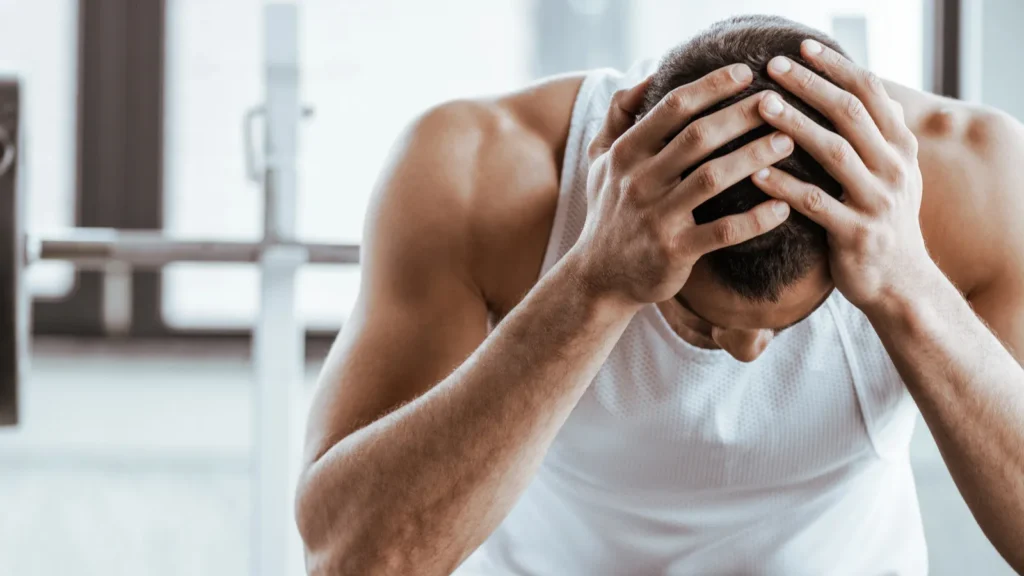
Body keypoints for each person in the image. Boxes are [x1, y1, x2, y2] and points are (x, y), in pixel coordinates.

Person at [294, 15, 1024, 576]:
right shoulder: (475, 171)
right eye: (702, 322)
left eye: (790, 322)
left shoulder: (977, 182)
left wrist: (910, 289)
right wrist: (592, 283)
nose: (745, 353)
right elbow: (351, 558)